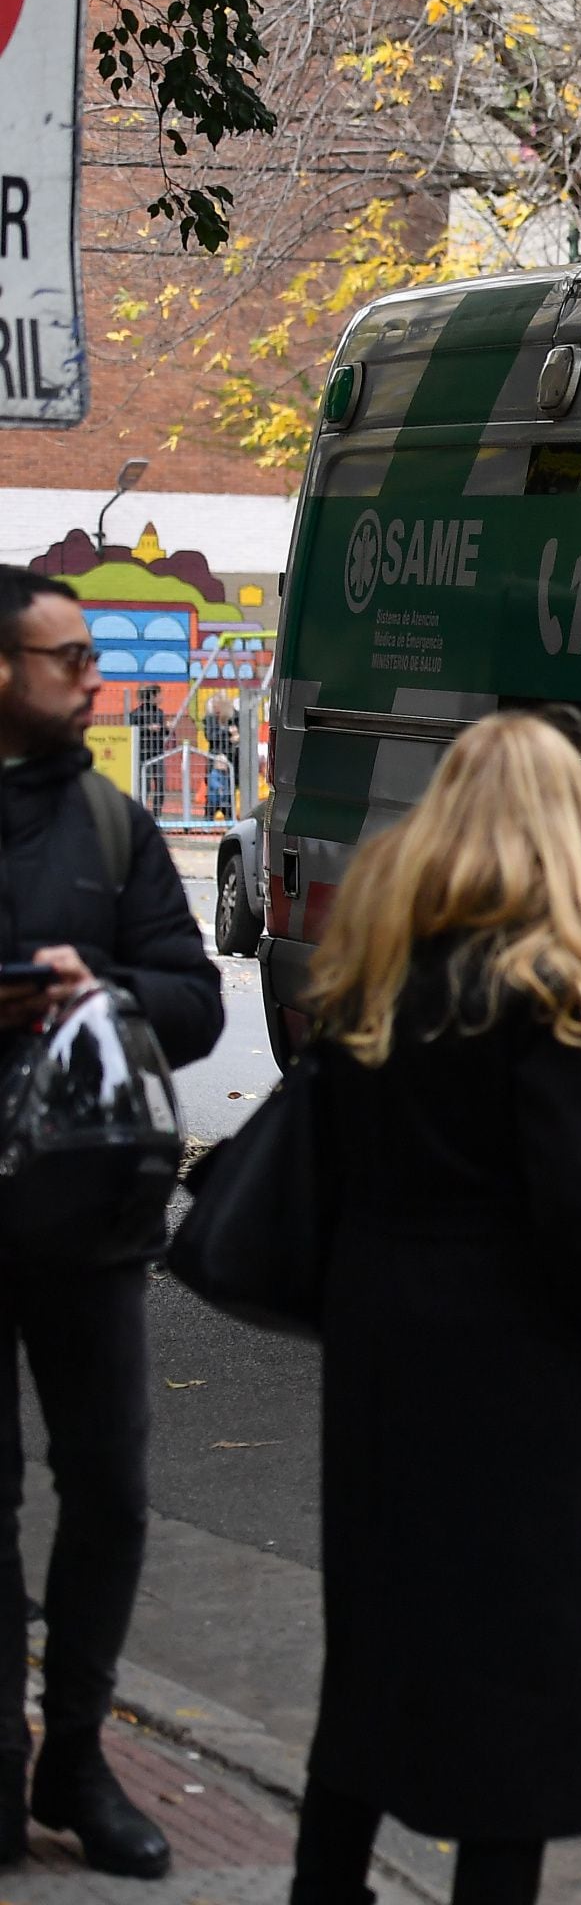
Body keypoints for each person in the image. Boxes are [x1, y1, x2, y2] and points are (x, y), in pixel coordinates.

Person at [287, 712, 581, 1905]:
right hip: (512, 1348)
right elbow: (572, 1201)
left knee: (380, 1647)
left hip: (381, 1321)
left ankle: (324, 1882)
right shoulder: (541, 982)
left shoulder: (376, 961)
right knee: (522, 1683)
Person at [0, 567, 221, 1879]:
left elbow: (193, 1000)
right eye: (66, 657)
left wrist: (108, 988)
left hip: (87, 1221)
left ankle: (73, 1760)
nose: (94, 677)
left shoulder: (111, 823)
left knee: (113, 1496)